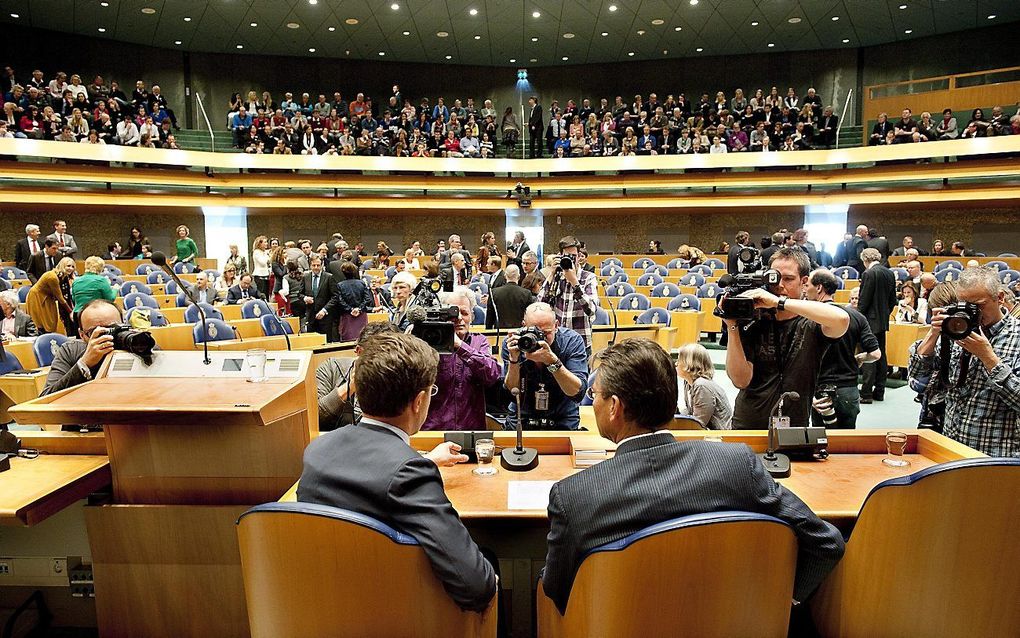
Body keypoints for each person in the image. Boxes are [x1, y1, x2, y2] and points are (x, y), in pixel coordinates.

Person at [540, 338, 845, 615]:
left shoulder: (574, 496)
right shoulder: (738, 464)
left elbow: (555, 591)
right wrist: (780, 602)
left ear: (614, 408)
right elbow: (826, 543)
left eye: (595, 396)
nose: (593, 403)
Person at [298, 331, 498, 613]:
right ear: (419, 402)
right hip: (396, 614)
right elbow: (476, 587)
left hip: (324, 607)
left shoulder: (317, 450)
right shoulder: (410, 472)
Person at [725, 247, 850, 428]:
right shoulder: (753, 319)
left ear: (804, 282)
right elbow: (740, 380)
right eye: (774, 277)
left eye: (789, 279)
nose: (779, 285)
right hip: (749, 422)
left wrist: (779, 302)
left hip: (794, 426)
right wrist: (732, 326)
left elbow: (842, 319)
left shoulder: (813, 321)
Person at [909, 267, 1020, 457]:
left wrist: (989, 358)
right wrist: (934, 333)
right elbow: (918, 377)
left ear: (999, 297)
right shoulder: (956, 330)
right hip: (951, 448)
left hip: (996, 454)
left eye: (978, 306)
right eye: (964, 305)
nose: (971, 313)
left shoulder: (1016, 336)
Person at [805, 270, 881, 429]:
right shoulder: (856, 316)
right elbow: (875, 354)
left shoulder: (808, 317)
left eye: (808, 285)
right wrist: (860, 358)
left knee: (821, 444)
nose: (805, 289)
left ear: (819, 288)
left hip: (820, 390)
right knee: (846, 444)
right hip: (848, 389)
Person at [421, 289, 501, 431]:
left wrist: (460, 346)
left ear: (472, 316)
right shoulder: (428, 342)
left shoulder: (479, 341)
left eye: (464, 313)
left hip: (471, 429)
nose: (459, 318)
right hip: (433, 430)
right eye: (453, 313)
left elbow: (492, 375)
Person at [501, 302, 588, 430]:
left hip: (562, 419)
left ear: (556, 326)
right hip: (521, 419)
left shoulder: (572, 342)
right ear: (524, 326)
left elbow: (577, 393)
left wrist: (552, 362)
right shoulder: (513, 343)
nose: (539, 338)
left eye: (546, 333)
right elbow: (512, 394)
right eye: (534, 332)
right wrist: (514, 360)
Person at [316, 322, 397, 431]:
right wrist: (351, 384)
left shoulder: (398, 378)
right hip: (334, 443)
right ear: (359, 351)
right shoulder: (332, 367)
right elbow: (316, 417)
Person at [41, 300, 123, 396]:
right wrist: (84, 364)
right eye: (94, 332)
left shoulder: (136, 344)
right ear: (82, 335)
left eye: (112, 329)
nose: (106, 337)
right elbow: (46, 398)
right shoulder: (71, 351)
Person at [537, 236, 599, 357]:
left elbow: (591, 310)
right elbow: (540, 304)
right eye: (567, 256)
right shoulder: (556, 277)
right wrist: (551, 274)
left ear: (579, 256)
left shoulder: (588, 277)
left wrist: (575, 282)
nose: (571, 260)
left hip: (581, 343)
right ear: (560, 256)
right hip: (558, 343)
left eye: (574, 256)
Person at [858, 248, 898, 403]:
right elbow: (892, 299)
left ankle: (866, 393)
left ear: (865, 259)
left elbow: (864, 299)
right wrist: (885, 314)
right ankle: (880, 391)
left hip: (869, 320)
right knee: (881, 355)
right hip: (882, 320)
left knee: (869, 355)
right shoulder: (889, 273)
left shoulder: (868, 273)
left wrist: (859, 318)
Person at [675, 343, 732, 429]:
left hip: (719, 435)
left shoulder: (702, 386)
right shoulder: (688, 382)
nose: (676, 363)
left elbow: (698, 424)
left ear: (689, 363)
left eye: (679, 360)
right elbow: (690, 412)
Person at [334, 261, 372, 342]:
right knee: (363, 339)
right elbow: (367, 299)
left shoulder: (340, 285)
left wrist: (351, 309)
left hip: (347, 316)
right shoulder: (361, 283)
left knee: (347, 340)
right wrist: (359, 309)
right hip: (361, 315)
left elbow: (340, 301)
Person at [486, 265, 533, 329]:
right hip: (519, 333)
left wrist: (489, 333)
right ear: (519, 276)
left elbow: (489, 317)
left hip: (498, 333)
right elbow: (530, 316)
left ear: (505, 276)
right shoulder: (526, 294)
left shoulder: (494, 293)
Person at [302, 256, 337, 339]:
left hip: (325, 316)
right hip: (311, 316)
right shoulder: (305, 277)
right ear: (310, 266)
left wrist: (324, 310)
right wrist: (305, 298)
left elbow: (335, 297)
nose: (316, 267)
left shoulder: (329, 277)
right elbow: (299, 294)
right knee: (312, 341)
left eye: (318, 265)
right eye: (314, 265)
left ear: (322, 265)